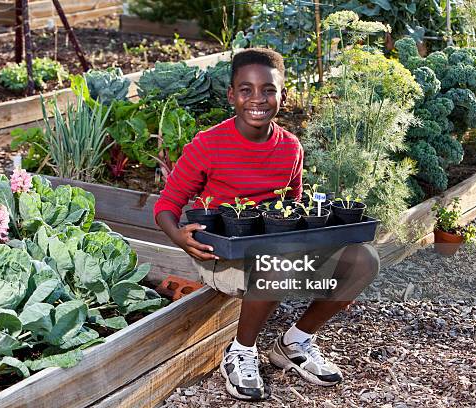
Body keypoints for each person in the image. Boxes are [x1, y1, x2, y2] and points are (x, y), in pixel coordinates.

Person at [153, 48, 379, 401]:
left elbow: (293, 208)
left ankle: (295, 343)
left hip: (275, 252)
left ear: (282, 96)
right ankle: (241, 351)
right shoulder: (208, 146)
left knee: (363, 260)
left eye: (268, 90)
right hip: (221, 255)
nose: (257, 98)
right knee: (275, 265)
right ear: (232, 95)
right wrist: (180, 237)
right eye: (246, 89)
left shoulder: (290, 148)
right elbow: (167, 205)